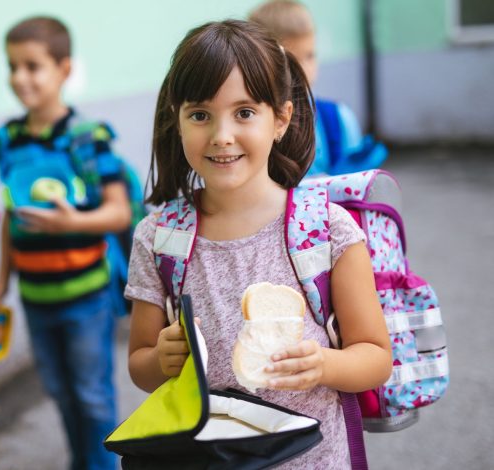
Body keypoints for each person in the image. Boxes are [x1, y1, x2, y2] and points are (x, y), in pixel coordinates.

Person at [125, 20, 392, 469]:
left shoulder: (326, 229)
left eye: (244, 112)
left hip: (316, 460)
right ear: (179, 119)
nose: (221, 134)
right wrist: (162, 360)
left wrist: (324, 365)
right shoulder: (158, 238)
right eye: (200, 114)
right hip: (210, 459)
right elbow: (139, 364)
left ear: (281, 119)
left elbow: (375, 357)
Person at [0, 16, 130, 470]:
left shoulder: (89, 138)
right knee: (61, 394)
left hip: (85, 296)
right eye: (13, 66)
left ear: (64, 69)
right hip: (34, 297)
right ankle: (80, 461)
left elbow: (119, 212)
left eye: (33, 66)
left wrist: (72, 222)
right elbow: (10, 214)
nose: (20, 78)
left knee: (92, 397)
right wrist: (1, 279)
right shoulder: (7, 138)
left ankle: (104, 465)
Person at [249, 0, 388, 176]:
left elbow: (357, 185)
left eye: (310, 55)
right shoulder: (251, 121)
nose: (303, 69)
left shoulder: (337, 119)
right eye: (290, 60)